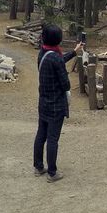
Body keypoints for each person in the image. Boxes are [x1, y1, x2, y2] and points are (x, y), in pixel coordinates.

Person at [33, 23, 83, 182]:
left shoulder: (43, 53)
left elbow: (58, 60)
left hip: (43, 103)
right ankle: (52, 173)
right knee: (53, 138)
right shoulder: (55, 57)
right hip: (56, 105)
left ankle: (39, 166)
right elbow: (66, 84)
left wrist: (74, 52)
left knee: (41, 134)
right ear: (58, 39)